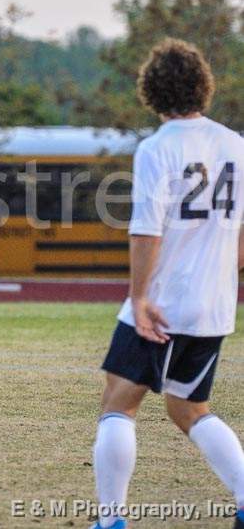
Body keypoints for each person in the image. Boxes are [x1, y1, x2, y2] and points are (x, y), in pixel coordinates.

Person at [89, 39, 244, 529]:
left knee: (119, 401)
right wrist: (224, 276)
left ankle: (112, 519)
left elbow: (146, 229)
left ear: (150, 91)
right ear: (204, 86)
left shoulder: (157, 148)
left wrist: (140, 298)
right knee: (189, 407)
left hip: (163, 301)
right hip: (213, 305)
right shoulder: (235, 144)